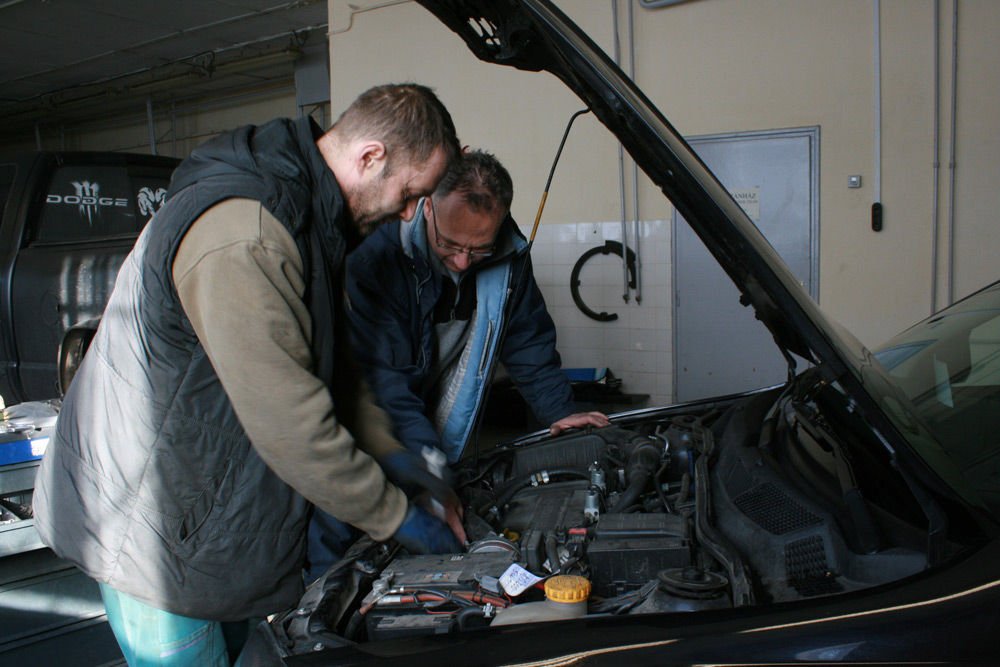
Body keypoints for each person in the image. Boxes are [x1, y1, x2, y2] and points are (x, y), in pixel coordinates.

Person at [32, 83, 465, 666]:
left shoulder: (309, 216)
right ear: (370, 157)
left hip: (207, 520)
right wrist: (395, 516)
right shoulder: (249, 234)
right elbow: (293, 425)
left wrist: (402, 458)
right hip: (150, 534)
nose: (411, 212)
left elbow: (334, 371)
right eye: (411, 192)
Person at [346, 149, 609, 463]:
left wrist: (561, 413)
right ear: (428, 206)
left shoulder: (510, 258)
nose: (461, 262)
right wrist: (427, 465)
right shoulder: (382, 256)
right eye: (449, 244)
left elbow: (528, 343)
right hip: (373, 417)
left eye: (479, 250)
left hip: (441, 417)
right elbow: (389, 377)